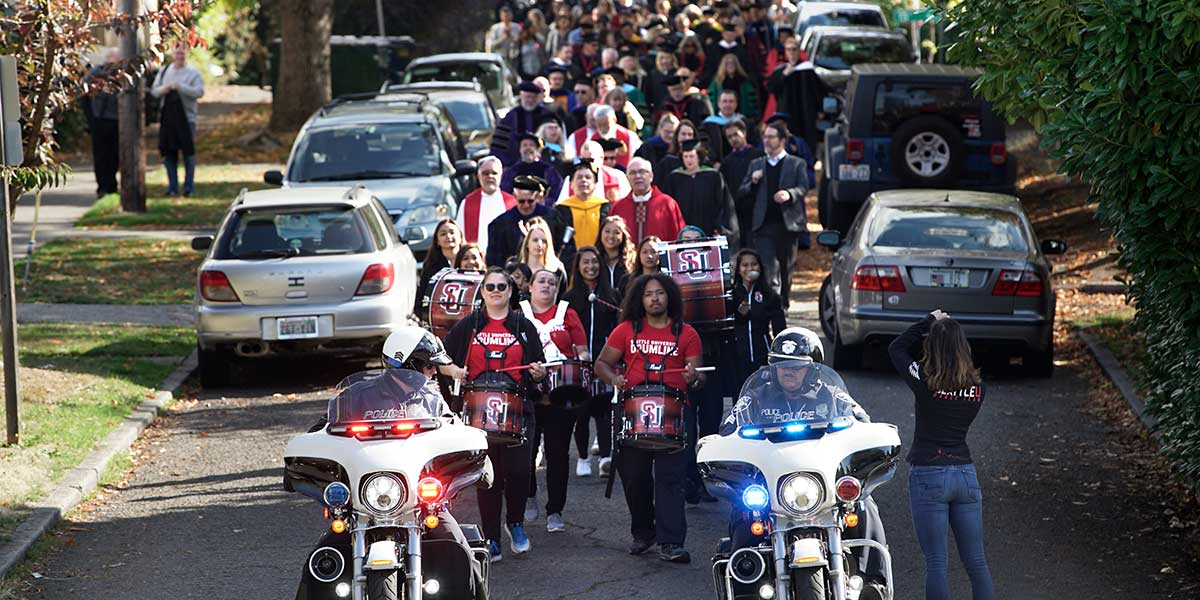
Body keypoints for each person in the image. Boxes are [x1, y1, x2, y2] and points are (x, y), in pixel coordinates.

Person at [594, 273, 704, 564]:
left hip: (675, 414)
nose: (655, 299)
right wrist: (614, 379)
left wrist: (693, 378)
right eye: (648, 294)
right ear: (639, 300)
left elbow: (699, 376)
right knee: (634, 477)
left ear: (669, 297)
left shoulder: (687, 333)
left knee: (671, 479)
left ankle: (671, 542)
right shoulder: (626, 330)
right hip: (633, 412)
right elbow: (602, 363)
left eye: (660, 293)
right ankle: (644, 531)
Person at [442, 267, 549, 562]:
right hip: (477, 412)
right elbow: (440, 358)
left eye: (502, 286)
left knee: (518, 473)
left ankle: (515, 524)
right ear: (483, 291)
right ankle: (491, 538)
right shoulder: (470, 325)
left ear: (511, 291)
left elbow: (539, 368)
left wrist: (539, 372)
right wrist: (453, 370)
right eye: (490, 286)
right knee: (488, 476)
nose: (496, 291)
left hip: (518, 410)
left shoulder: (523, 325)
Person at [889, 311, 995, 600]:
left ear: (931, 347)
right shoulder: (978, 390)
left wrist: (927, 321)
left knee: (937, 562)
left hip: (929, 474)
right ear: (964, 348)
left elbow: (896, 347)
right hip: (965, 474)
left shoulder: (924, 381)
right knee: (976, 561)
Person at [521, 269, 590, 532]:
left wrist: (583, 359)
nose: (547, 286)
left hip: (561, 395)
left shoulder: (568, 313)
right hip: (529, 395)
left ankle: (555, 510)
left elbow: (582, 349)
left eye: (552, 282)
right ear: (530, 286)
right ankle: (529, 494)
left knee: (558, 454)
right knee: (525, 455)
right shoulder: (519, 314)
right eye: (541, 281)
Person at [562, 246, 622, 479]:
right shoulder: (569, 298)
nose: (591, 267)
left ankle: (606, 457)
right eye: (585, 262)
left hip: (605, 361)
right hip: (579, 363)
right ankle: (584, 457)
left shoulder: (611, 294)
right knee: (582, 411)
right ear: (578, 266)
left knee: (604, 408)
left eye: (595, 262)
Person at [737, 122, 809, 305]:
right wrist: (753, 182)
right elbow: (742, 191)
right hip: (764, 224)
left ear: (782, 140)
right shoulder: (756, 164)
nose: (767, 141)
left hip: (788, 224)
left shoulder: (796, 163)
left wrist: (789, 194)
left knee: (786, 268)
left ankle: (783, 303)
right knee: (769, 268)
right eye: (765, 137)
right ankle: (772, 304)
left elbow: (804, 187)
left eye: (771, 137)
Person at [150, 43, 204, 197]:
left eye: (182, 53)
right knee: (169, 154)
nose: (179, 56)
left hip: (188, 120)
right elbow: (154, 91)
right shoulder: (164, 71)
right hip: (168, 121)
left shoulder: (193, 73)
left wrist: (181, 87)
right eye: (177, 53)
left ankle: (189, 187)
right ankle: (172, 187)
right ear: (172, 55)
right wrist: (165, 89)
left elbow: (199, 92)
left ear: (187, 55)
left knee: (188, 154)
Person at [663, 140, 738, 243]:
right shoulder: (674, 178)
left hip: (709, 229)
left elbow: (723, 204)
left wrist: (720, 228)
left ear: (699, 156)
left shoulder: (713, 176)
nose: (689, 160)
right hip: (682, 231)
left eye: (692, 156)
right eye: (686, 156)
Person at [730, 248, 786, 382]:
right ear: (738, 269)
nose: (749, 268)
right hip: (737, 354)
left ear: (760, 268)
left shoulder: (770, 296)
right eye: (745, 265)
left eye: (754, 264)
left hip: (762, 352)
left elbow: (780, 328)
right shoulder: (732, 295)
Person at [488, 175, 561, 267]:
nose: (526, 205)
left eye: (530, 201)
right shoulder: (501, 223)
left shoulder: (552, 217)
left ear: (537, 197)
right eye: (521, 201)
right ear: (515, 197)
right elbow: (495, 256)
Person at [610, 157, 687, 244]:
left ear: (651, 176)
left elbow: (678, 237)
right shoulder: (619, 207)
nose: (637, 176)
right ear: (627, 178)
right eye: (633, 173)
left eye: (642, 172)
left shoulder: (667, 203)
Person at [718, 119, 765, 249]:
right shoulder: (727, 162)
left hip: (757, 209)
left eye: (736, 134)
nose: (733, 139)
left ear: (744, 133)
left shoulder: (759, 156)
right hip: (737, 212)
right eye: (729, 137)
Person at [457, 156, 516, 257]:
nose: (490, 176)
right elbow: (460, 236)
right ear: (478, 176)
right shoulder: (467, 203)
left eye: (494, 173)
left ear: (501, 176)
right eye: (485, 173)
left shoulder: (512, 202)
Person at [554, 162, 611, 264]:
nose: (583, 180)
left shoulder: (606, 208)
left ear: (595, 184)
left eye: (588, 177)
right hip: (570, 264)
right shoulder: (561, 210)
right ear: (571, 184)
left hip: (601, 262)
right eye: (579, 177)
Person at [84, 50, 121, 197]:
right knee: (100, 155)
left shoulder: (122, 74)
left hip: (116, 119)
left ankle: (112, 184)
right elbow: (85, 93)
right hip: (99, 120)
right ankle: (102, 186)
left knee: (114, 155)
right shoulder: (95, 73)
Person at [492, 81, 554, 166]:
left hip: (542, 163)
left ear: (538, 98)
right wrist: (505, 163)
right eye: (528, 97)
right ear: (521, 96)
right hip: (515, 163)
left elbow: (555, 140)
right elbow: (500, 144)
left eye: (533, 97)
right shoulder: (511, 116)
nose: (530, 100)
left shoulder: (547, 115)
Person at [415, 219, 464, 315]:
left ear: (461, 237)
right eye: (443, 234)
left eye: (452, 232)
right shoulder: (431, 265)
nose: (448, 236)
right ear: (437, 241)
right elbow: (422, 294)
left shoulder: (471, 260)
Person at [500, 133, 565, 200]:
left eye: (531, 145)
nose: (528, 148)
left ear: (537, 149)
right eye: (524, 145)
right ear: (520, 150)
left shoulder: (548, 170)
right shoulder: (512, 171)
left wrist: (546, 203)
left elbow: (557, 190)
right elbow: (505, 192)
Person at [516, 216, 569, 296]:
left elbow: (562, 299)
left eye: (544, 241)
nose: (539, 244)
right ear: (527, 243)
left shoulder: (557, 271)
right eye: (535, 240)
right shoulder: (517, 271)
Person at [706, 55, 759, 124]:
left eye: (732, 63)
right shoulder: (717, 82)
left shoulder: (744, 81)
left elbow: (751, 101)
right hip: (720, 116)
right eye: (727, 63)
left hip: (740, 113)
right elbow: (711, 100)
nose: (730, 65)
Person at [595, 215, 636, 290]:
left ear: (623, 236)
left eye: (616, 232)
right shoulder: (594, 260)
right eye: (607, 231)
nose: (611, 236)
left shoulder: (633, 260)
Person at [652, 118, 699, 183]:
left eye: (690, 134)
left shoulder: (701, 163)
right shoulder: (667, 162)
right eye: (683, 134)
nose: (686, 138)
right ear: (677, 136)